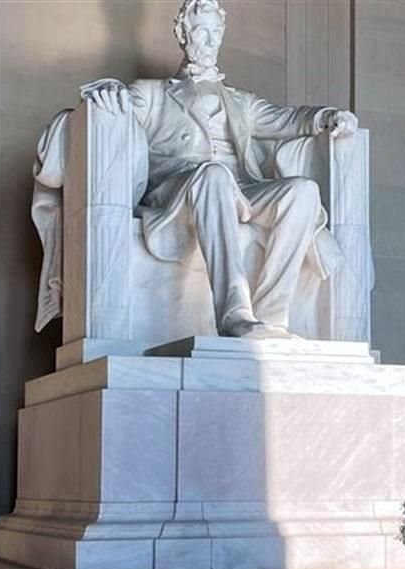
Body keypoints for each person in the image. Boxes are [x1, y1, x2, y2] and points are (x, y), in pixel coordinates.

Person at [83, 0, 358, 339]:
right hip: (180, 191)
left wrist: (327, 117)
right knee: (213, 174)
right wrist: (108, 90)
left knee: (303, 191)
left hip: (240, 190)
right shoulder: (153, 94)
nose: (211, 42)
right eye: (201, 32)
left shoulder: (242, 100)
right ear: (182, 34)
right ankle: (234, 313)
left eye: (216, 33)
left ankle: (271, 316)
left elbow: (289, 119)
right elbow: (117, 103)